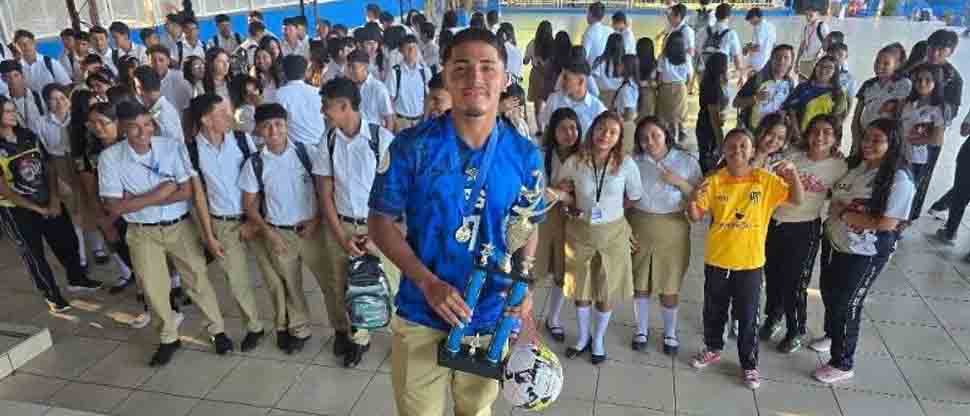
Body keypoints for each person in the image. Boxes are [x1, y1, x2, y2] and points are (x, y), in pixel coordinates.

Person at [368, 28, 543, 416]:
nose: (475, 78)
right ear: (445, 73)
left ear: (504, 77)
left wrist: (524, 284)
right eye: (461, 67)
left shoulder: (525, 155)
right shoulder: (412, 146)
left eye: (487, 67)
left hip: (488, 317)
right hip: (421, 313)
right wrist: (427, 283)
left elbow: (527, 223)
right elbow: (379, 221)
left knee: (475, 412)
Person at [98, 101, 231, 366]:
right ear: (123, 128)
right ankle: (169, 338)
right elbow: (112, 205)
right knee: (153, 288)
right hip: (141, 232)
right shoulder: (110, 158)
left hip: (179, 226)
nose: (142, 131)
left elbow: (185, 191)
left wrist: (135, 200)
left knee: (197, 280)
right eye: (134, 127)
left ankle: (217, 331)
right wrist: (159, 193)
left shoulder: (170, 147)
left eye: (147, 124)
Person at [688, 128, 804, 390]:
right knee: (713, 309)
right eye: (731, 145)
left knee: (747, 315)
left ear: (753, 151)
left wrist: (793, 174)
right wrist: (694, 196)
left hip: (750, 263)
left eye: (743, 146)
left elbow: (797, 199)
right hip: (717, 259)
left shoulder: (764, 180)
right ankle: (713, 348)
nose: (737, 150)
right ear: (723, 151)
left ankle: (749, 364)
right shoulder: (715, 180)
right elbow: (695, 215)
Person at [812, 118, 915, 384]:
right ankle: (832, 334)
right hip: (835, 241)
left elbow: (886, 223)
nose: (868, 144)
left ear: (892, 144)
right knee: (830, 292)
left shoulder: (899, 179)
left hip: (864, 253)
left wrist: (844, 214)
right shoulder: (856, 166)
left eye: (877, 140)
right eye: (866, 138)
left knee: (848, 303)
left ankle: (843, 362)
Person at [316, 77, 400, 367]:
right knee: (348, 287)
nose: (323, 111)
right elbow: (325, 193)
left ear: (344, 106)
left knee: (388, 283)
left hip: (379, 228)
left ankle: (400, 339)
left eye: (326, 106)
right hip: (342, 227)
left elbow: (397, 194)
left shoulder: (382, 140)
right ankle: (359, 339)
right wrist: (341, 237)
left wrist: (378, 236)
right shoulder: (326, 141)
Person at [0, 95, 102, 313]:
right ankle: (52, 295)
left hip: (47, 198)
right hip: (17, 210)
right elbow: (5, 190)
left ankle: (77, 278)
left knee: (67, 240)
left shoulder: (28, 136)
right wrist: (39, 209)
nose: (13, 114)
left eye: (13, 110)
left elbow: (49, 168)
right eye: (7, 111)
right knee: (33, 254)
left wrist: (54, 200)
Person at [555, 111, 642, 365]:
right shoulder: (575, 161)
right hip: (580, 232)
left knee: (606, 290)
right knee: (580, 288)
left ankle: (598, 339)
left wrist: (615, 213)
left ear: (619, 138)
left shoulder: (626, 164)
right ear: (592, 129)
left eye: (612, 132)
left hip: (612, 234)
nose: (605, 135)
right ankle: (582, 338)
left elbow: (634, 196)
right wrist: (570, 204)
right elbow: (562, 189)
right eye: (601, 129)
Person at [183, 94, 265, 352]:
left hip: (256, 218)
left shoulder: (241, 140)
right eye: (223, 112)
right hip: (223, 224)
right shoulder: (192, 150)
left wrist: (254, 219)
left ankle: (289, 325)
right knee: (236, 279)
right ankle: (254, 326)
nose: (231, 116)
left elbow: (260, 178)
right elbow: (199, 197)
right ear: (206, 119)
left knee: (275, 276)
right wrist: (209, 236)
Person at [239, 103, 322, 354]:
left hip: (312, 229)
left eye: (278, 124)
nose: (273, 130)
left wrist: (317, 220)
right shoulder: (255, 163)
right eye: (266, 126)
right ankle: (300, 329)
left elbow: (325, 190)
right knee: (291, 285)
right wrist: (268, 232)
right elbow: (249, 206)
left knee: (330, 282)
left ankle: (344, 330)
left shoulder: (307, 153)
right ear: (259, 131)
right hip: (279, 233)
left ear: (287, 126)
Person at [762, 115, 847, 353]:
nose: (820, 137)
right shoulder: (792, 157)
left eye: (827, 132)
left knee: (795, 282)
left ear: (836, 138)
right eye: (815, 131)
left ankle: (796, 328)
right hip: (774, 223)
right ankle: (773, 317)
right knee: (773, 275)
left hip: (804, 228)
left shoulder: (839, 166)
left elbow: (844, 194)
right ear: (807, 134)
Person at [628, 116, 701, 355]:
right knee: (640, 282)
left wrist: (679, 182)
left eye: (655, 135)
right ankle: (641, 329)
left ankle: (669, 332)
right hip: (639, 225)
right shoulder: (633, 162)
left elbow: (700, 198)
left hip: (673, 229)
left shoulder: (686, 161)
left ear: (666, 134)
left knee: (669, 285)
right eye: (644, 138)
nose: (650, 142)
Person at [538, 108, 582, 343]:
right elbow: (537, 193)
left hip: (572, 221)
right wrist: (557, 190)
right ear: (552, 132)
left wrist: (562, 194)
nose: (569, 133)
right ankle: (518, 320)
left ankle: (553, 319)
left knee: (562, 274)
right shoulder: (541, 154)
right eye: (563, 128)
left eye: (574, 127)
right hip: (544, 220)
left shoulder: (585, 158)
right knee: (533, 271)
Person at [898, 65, 946, 226]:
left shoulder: (937, 109)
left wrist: (915, 139)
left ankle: (901, 225)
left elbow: (937, 140)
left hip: (918, 159)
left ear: (936, 83)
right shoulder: (909, 102)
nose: (922, 83)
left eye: (928, 80)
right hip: (899, 153)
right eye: (918, 80)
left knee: (909, 192)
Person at [851, 45, 912, 154]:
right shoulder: (868, 84)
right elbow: (856, 118)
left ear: (897, 65)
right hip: (864, 136)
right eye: (877, 61)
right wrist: (857, 141)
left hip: (884, 142)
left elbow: (900, 116)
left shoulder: (904, 84)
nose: (880, 66)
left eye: (886, 63)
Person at [734, 44, 797, 132]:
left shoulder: (789, 83)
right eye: (778, 57)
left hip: (774, 131)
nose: (781, 61)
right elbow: (736, 103)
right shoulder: (758, 79)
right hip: (754, 130)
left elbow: (788, 106)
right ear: (771, 59)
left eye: (786, 57)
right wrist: (755, 98)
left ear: (791, 62)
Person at [538, 58, 606, 135]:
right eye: (561, 76)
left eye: (565, 78)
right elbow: (547, 129)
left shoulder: (597, 109)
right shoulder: (554, 99)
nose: (560, 81)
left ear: (581, 81)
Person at [781, 55, 848, 133]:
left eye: (829, 67)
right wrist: (797, 133)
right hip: (795, 135)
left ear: (835, 71)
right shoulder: (802, 87)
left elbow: (836, 121)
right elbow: (789, 109)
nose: (823, 69)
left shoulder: (838, 94)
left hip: (820, 137)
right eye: (820, 65)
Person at [274, 55, 326, 146]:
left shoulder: (279, 95)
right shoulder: (318, 91)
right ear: (306, 72)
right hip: (321, 145)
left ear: (284, 72)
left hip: (297, 149)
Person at [386, 35, 431, 132]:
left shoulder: (424, 71)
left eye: (414, 47)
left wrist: (426, 118)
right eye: (408, 48)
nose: (412, 51)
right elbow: (390, 99)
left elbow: (428, 97)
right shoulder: (395, 72)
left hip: (420, 120)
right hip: (402, 121)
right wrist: (395, 121)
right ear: (401, 51)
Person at [656, 31, 693, 144]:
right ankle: (680, 136)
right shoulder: (686, 57)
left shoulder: (663, 57)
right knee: (679, 116)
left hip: (665, 89)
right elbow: (690, 76)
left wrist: (657, 87)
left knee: (667, 117)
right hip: (681, 88)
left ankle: (670, 139)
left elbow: (659, 75)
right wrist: (686, 87)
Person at [695, 3, 745, 86]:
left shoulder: (703, 30)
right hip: (720, 76)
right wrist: (741, 76)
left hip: (704, 74)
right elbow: (737, 58)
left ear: (715, 15)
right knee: (720, 97)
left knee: (704, 97)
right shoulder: (731, 34)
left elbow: (696, 51)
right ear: (729, 17)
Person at [132, 66, 185, 142]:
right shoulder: (158, 107)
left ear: (140, 88)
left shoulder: (163, 113)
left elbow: (172, 144)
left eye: (136, 87)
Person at [347, 49, 395, 130]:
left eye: (354, 67)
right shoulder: (347, 87)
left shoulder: (378, 88)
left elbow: (389, 120)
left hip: (373, 138)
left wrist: (385, 141)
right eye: (348, 66)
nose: (350, 71)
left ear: (365, 67)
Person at [697, 52, 728, 173]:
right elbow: (713, 118)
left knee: (707, 157)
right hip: (708, 127)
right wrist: (721, 141)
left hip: (705, 123)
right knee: (709, 160)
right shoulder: (712, 87)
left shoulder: (712, 81)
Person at [11, 30, 72, 94]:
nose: (26, 46)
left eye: (29, 42)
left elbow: (66, 86)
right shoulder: (17, 69)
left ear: (34, 42)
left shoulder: (50, 63)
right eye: (21, 44)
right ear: (16, 47)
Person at [525, 21, 556, 137]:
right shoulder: (554, 45)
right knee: (551, 103)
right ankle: (550, 130)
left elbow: (525, 61)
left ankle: (540, 129)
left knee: (537, 105)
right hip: (550, 76)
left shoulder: (533, 43)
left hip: (537, 75)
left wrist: (533, 58)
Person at [0, 60, 46, 129]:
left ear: (22, 75)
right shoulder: (4, 102)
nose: (13, 80)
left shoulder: (38, 96)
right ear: (3, 79)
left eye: (16, 75)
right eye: (8, 77)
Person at [148, 45, 194, 112]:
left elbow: (187, 107)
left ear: (168, 61)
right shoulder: (147, 80)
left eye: (161, 60)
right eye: (153, 61)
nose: (157, 64)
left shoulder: (180, 78)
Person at [796, 5, 830, 80]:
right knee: (802, 84)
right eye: (806, 15)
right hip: (804, 61)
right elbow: (802, 45)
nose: (808, 17)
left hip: (816, 61)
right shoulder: (806, 27)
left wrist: (818, 58)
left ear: (817, 14)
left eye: (811, 15)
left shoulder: (822, 26)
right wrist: (796, 62)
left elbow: (826, 44)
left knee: (814, 83)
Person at [592, 33, 626, 108]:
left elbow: (592, 80)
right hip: (620, 98)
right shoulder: (625, 62)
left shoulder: (600, 61)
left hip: (602, 97)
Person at [744, 8, 776, 74]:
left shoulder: (759, 28)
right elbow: (773, 44)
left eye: (750, 20)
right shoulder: (771, 26)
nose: (750, 23)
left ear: (755, 17)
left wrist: (747, 48)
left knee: (753, 82)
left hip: (758, 63)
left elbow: (758, 48)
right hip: (766, 62)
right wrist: (750, 44)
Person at [636, 38, 658, 119]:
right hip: (649, 94)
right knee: (648, 119)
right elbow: (656, 82)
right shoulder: (655, 63)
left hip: (635, 92)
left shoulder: (634, 61)